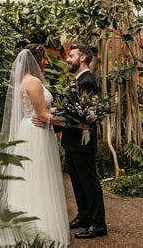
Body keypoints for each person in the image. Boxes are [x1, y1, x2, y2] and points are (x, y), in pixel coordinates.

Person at [0, 44, 70, 246]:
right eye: (44, 58)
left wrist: (59, 112)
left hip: (31, 129)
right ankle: (41, 230)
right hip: (37, 133)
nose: (46, 62)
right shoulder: (33, 82)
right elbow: (43, 115)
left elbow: (41, 111)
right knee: (39, 176)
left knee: (31, 177)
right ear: (36, 60)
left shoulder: (24, 81)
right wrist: (73, 120)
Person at [35, 44, 107, 239]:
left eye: (71, 55)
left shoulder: (87, 81)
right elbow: (71, 112)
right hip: (72, 141)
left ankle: (98, 224)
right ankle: (84, 215)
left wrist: (50, 122)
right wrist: (53, 123)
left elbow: (83, 116)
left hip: (82, 142)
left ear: (82, 58)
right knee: (77, 181)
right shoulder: (78, 80)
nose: (67, 59)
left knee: (89, 182)